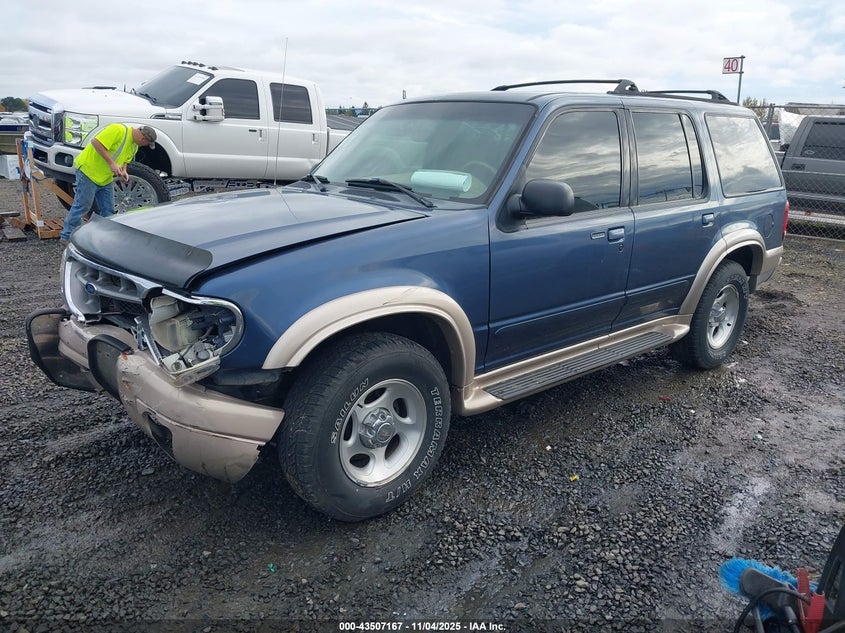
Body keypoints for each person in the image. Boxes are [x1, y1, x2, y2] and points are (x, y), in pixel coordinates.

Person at [59, 124, 157, 243]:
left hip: (105, 178)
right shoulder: (118, 130)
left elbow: (126, 159)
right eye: (146, 144)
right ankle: (67, 236)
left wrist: (124, 170)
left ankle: (106, 238)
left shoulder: (134, 146)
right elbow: (96, 142)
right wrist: (111, 163)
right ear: (143, 139)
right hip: (88, 171)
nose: (144, 146)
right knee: (82, 206)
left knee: (108, 209)